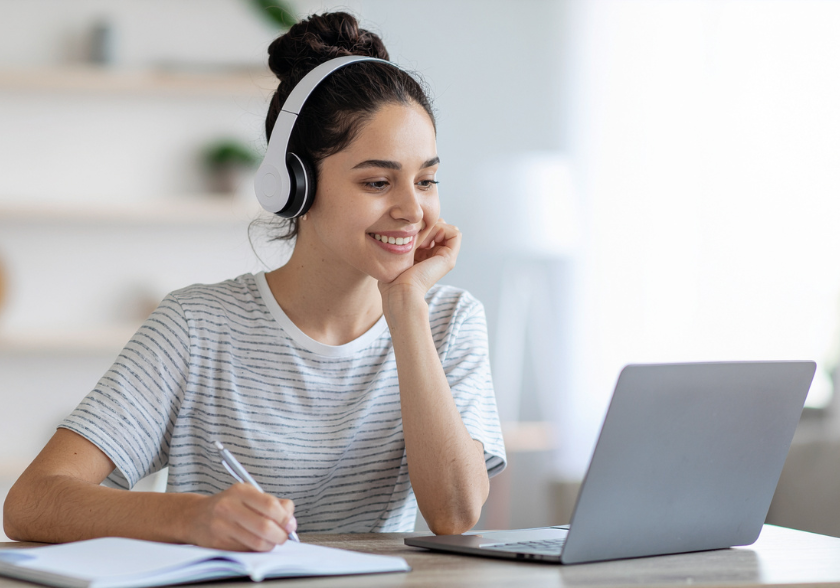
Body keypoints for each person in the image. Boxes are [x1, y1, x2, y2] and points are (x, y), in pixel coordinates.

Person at [3, 11, 506, 551]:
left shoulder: (450, 319)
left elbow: (454, 514)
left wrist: (406, 307)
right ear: (293, 185)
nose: (412, 210)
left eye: (427, 180)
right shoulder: (196, 327)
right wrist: (190, 519)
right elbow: (32, 502)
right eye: (378, 181)